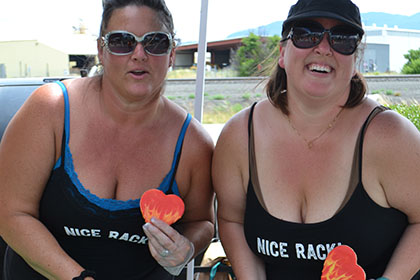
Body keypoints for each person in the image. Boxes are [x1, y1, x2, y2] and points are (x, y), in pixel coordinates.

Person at [0, 0, 214, 279]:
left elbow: (202, 221)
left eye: (156, 42)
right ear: (101, 50)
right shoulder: (51, 109)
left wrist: (186, 247)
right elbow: (11, 214)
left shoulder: (193, 143)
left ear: (172, 53)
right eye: (122, 41)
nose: (139, 54)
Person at [212, 0, 420, 279]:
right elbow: (231, 219)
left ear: (355, 59)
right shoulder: (239, 136)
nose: (323, 47)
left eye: (342, 39)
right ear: (283, 53)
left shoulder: (390, 137)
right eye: (306, 34)